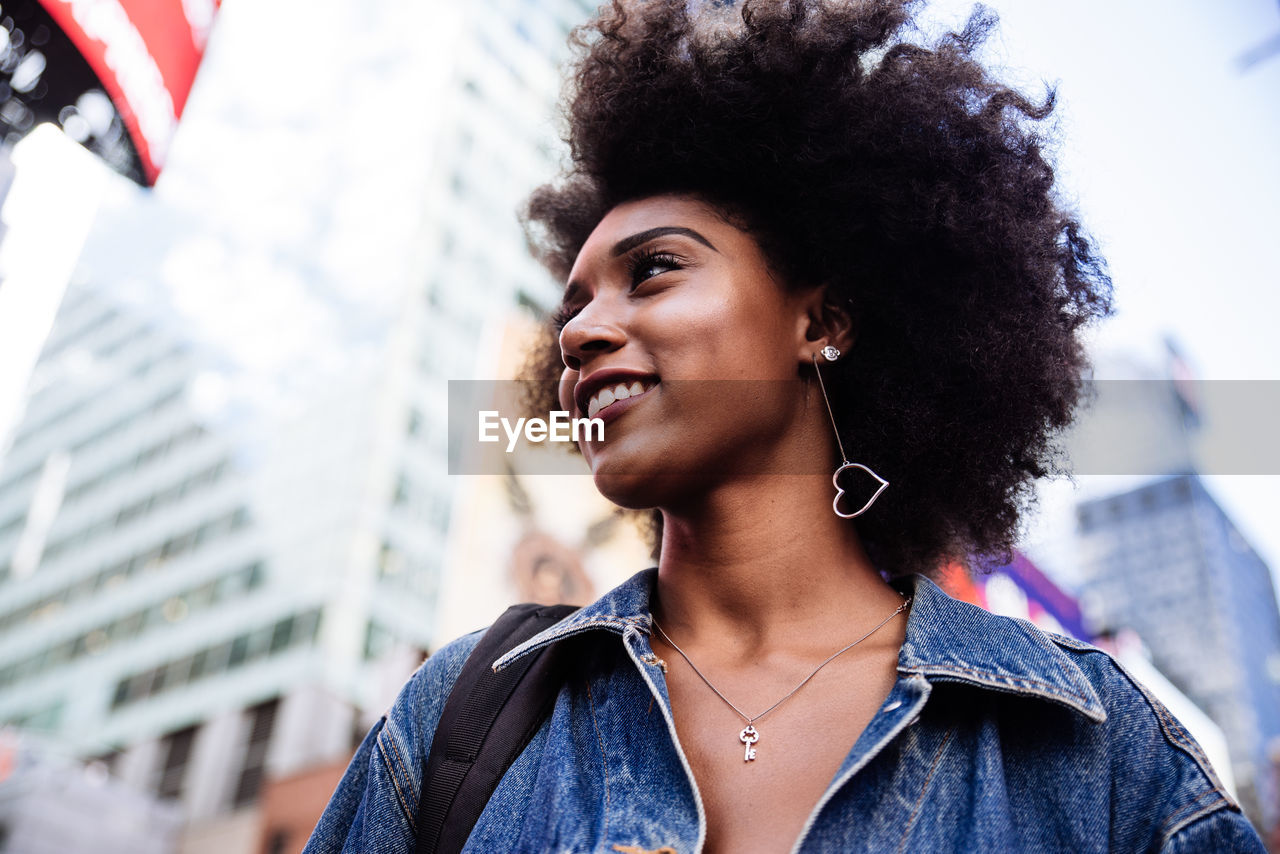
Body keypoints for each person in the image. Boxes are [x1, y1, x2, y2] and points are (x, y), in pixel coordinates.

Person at [306, 0, 1268, 851]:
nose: (583, 332)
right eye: (571, 311)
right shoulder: (458, 718)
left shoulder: (1097, 745)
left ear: (821, 322)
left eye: (654, 270)